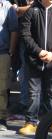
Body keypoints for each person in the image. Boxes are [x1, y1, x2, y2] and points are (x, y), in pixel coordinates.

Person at [18, 0, 52, 135]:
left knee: (50, 92)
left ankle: (50, 121)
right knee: (33, 92)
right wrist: (38, 51)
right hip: (34, 60)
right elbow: (25, 34)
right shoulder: (31, 10)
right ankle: (30, 122)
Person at [0, 0, 18, 131]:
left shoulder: (7, 7)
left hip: (3, 52)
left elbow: (13, 30)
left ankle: (1, 118)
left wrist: (11, 51)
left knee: (2, 88)